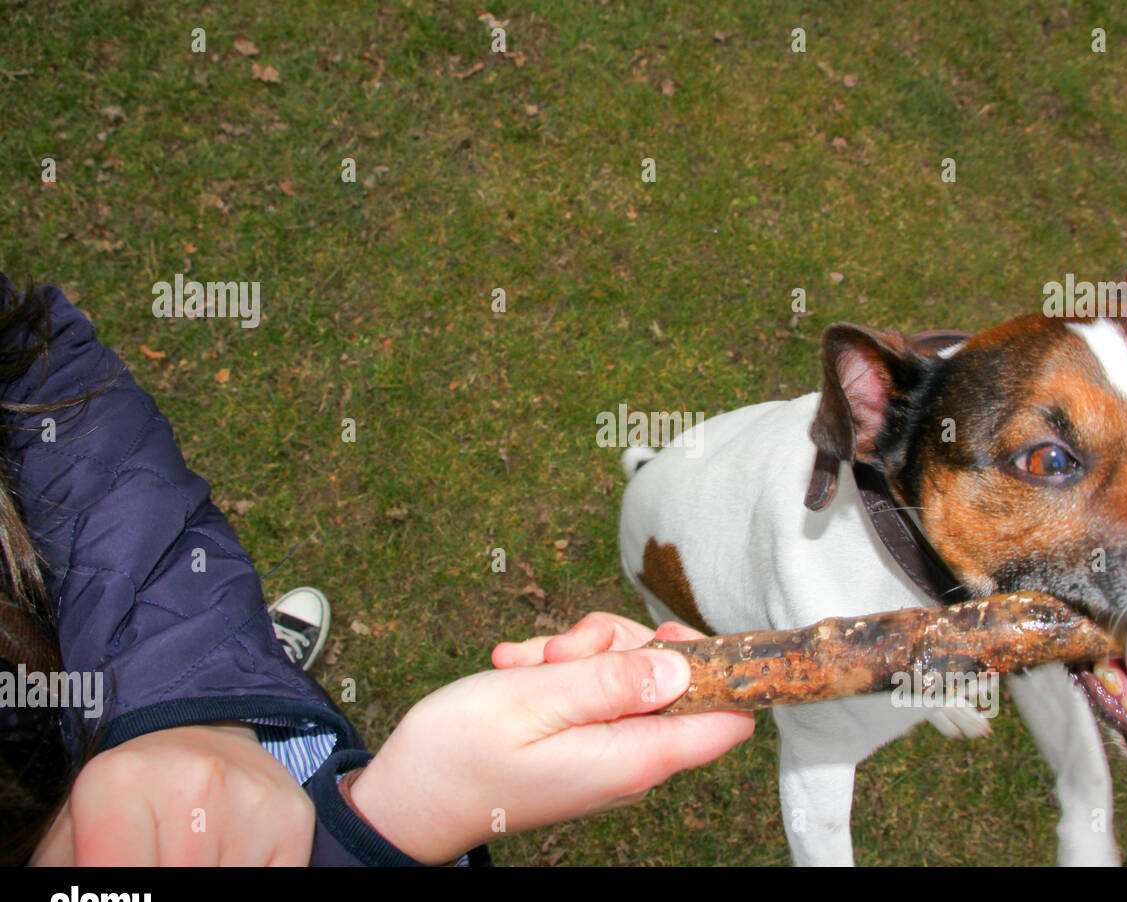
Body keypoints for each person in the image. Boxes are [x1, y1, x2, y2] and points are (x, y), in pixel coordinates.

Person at [0, 276, 752, 865]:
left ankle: (248, 686)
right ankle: (256, 698)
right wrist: (377, 829)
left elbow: (39, 364)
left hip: (132, 677)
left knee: (236, 681)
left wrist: (180, 703)